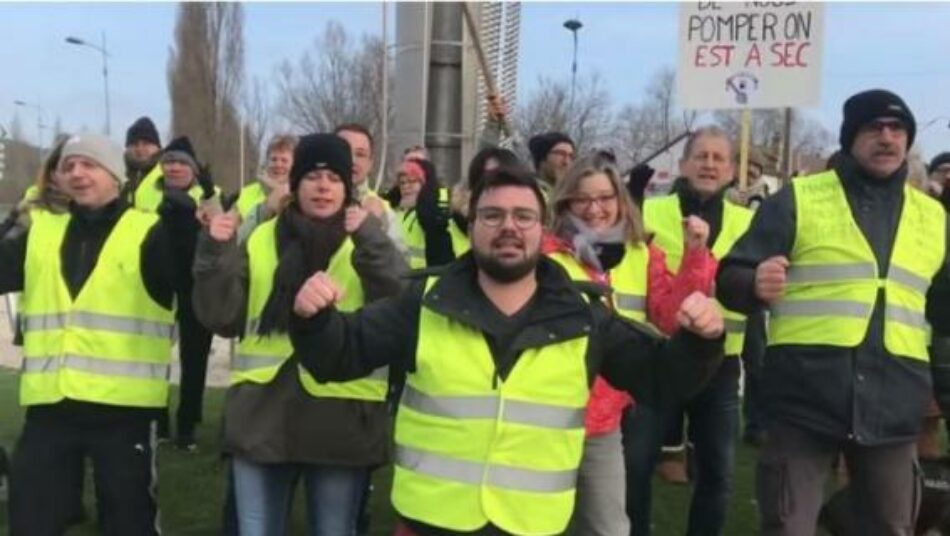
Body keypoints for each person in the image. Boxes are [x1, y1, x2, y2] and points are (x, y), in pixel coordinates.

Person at [288, 167, 726, 536]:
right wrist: (314, 321)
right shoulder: (423, 303)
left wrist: (700, 342)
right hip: (430, 523)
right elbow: (337, 356)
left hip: (532, 524)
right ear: (472, 223)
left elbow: (662, 378)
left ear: (543, 227)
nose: (509, 227)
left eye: (523, 216)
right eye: (493, 215)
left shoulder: (582, 315)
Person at [717, 88, 950, 535]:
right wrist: (753, 282)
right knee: (789, 527)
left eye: (897, 128)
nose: (886, 137)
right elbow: (731, 276)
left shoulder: (934, 216)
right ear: (849, 137)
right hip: (805, 399)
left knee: (888, 528)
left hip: (894, 402)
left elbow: (941, 306)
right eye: (873, 128)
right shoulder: (799, 198)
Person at [193, 133, 407, 535]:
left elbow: (398, 302)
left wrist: (372, 240)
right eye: (311, 176)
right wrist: (212, 254)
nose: (323, 186)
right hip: (263, 414)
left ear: (348, 187)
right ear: (294, 185)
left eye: (333, 177)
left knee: (334, 530)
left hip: (341, 417)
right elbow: (220, 315)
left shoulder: (367, 238)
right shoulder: (259, 238)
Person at [0, 133, 197, 535]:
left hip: (123, 413)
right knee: (29, 517)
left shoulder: (149, 231)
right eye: (68, 166)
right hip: (51, 407)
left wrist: (183, 228)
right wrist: (10, 222)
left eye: (88, 164)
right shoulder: (41, 232)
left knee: (129, 521)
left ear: (115, 176)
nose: (77, 173)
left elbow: (186, 279)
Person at [543, 155, 718, 535]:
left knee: (610, 527)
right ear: (565, 204)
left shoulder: (641, 252)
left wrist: (695, 256)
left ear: (621, 200)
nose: (594, 209)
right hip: (549, 416)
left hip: (612, 417)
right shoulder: (544, 256)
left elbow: (671, 317)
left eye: (605, 198)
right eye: (582, 199)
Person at [631, 126, 753, 536]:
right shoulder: (649, 213)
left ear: (732, 171)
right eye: (701, 155)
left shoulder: (749, 222)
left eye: (719, 158)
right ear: (683, 165)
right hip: (658, 357)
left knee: (718, 473)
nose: (710, 164)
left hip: (720, 362)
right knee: (638, 464)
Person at [134, 135, 220, 448]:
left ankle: (187, 426)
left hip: (194, 286)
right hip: (152, 285)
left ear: (194, 169)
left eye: (182, 162)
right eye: (169, 161)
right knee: (153, 356)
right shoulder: (144, 192)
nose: (174, 167)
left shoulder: (210, 194)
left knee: (194, 359)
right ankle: (157, 421)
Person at [334, 123, 407, 255]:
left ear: (370, 163)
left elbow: (400, 267)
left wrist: (377, 229)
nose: (352, 160)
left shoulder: (383, 210)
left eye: (360, 154)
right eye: (344, 151)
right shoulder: (304, 200)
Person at [234, 134, 297, 240]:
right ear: (266, 162)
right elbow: (236, 237)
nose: (278, 164)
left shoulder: (300, 194)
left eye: (284, 160)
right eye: (274, 159)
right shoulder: (246, 193)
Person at [123, 116, 163, 196]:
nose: (140, 149)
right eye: (135, 144)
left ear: (157, 147)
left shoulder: (167, 173)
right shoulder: (119, 174)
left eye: (146, 144)